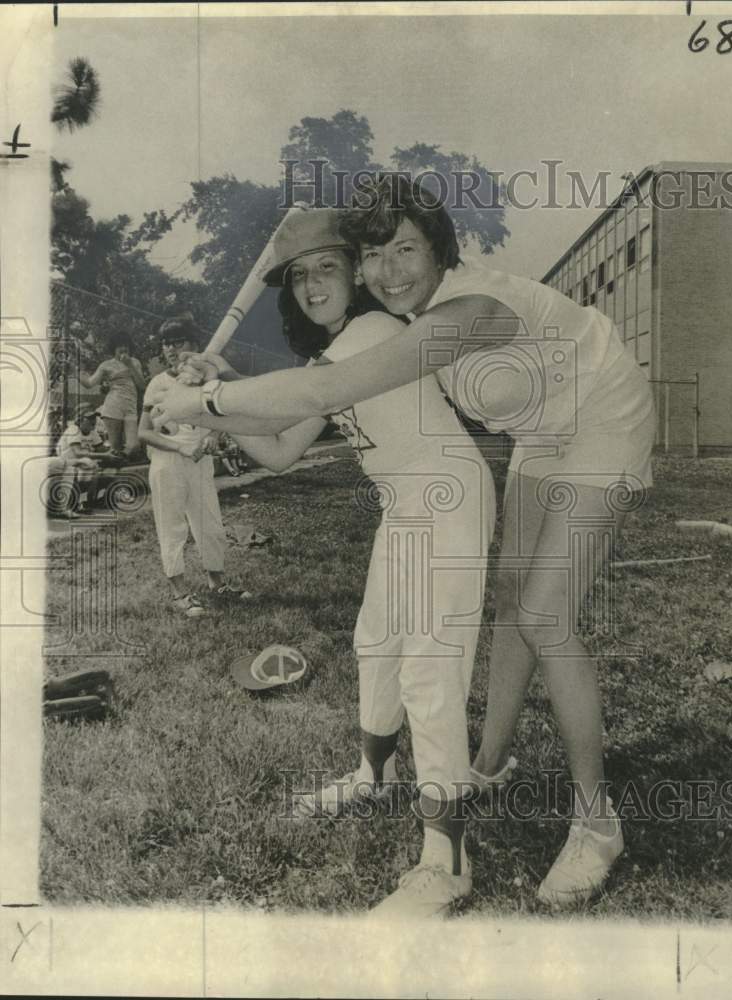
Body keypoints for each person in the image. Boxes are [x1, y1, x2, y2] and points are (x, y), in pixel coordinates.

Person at [150, 176, 655, 908]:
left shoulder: (463, 312)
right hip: (541, 431)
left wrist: (204, 400)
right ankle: (484, 762)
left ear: (437, 247)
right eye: (374, 254)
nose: (388, 270)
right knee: (513, 603)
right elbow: (304, 406)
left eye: (404, 249)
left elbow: (323, 392)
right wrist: (221, 397)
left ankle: (595, 825)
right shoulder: (403, 317)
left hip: (605, 410)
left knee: (545, 614)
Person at [176, 208, 496, 917]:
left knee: (428, 668)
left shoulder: (374, 332)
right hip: (404, 503)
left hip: (446, 498)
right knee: (374, 643)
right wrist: (204, 411)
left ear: (356, 271)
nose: (312, 284)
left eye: (327, 267)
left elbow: (307, 396)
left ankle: (445, 861)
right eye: (298, 276)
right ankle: (372, 775)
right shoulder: (337, 353)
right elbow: (282, 444)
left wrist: (203, 398)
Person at [138, 315, 252, 618]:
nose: (172, 349)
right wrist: (180, 446)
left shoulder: (205, 379)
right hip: (168, 462)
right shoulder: (158, 383)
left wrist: (213, 436)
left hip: (200, 463)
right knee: (172, 527)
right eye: (167, 343)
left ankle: (218, 584)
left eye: (179, 342)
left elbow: (219, 419)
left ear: (195, 345)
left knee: (210, 526)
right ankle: (180, 593)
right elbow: (144, 432)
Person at [79, 331, 145, 458]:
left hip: (130, 407)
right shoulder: (106, 365)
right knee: (115, 448)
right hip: (113, 406)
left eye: (126, 345)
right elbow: (89, 383)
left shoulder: (135, 362)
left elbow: (142, 385)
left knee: (134, 445)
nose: (123, 348)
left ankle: (115, 462)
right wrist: (78, 372)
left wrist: (129, 365)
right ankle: (114, 473)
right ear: (114, 348)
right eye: (119, 345)